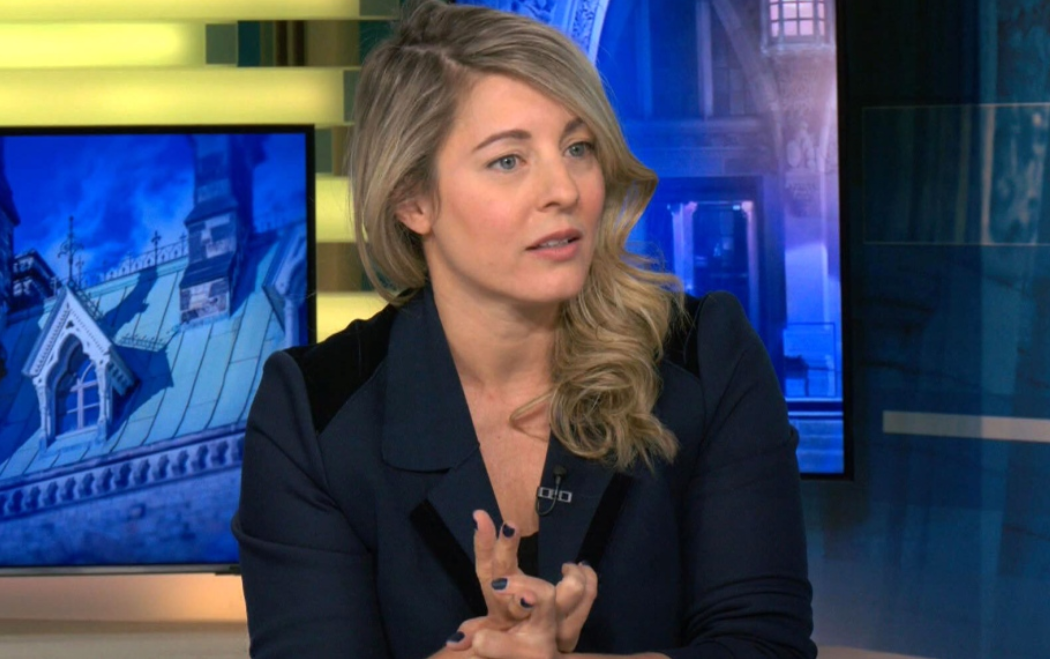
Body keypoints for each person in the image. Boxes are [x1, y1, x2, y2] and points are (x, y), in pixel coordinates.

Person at [231, 2, 816, 658]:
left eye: (578, 147)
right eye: (509, 160)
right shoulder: (313, 413)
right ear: (412, 199)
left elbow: (764, 643)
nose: (564, 189)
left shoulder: (705, 357)